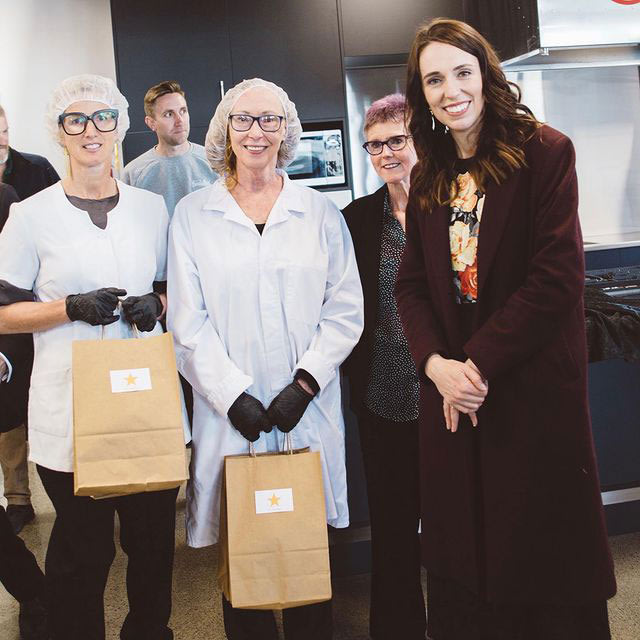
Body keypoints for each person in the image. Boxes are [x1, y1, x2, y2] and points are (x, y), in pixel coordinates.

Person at [395, 18, 616, 640]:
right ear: (423, 94)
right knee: (465, 564)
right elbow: (410, 285)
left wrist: (476, 364)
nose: (450, 90)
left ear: (487, 77)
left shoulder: (545, 152)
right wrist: (437, 365)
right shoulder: (430, 175)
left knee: (539, 560)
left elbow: (556, 279)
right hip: (452, 398)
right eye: (434, 79)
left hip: (526, 389)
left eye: (461, 73)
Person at [168, 77, 364, 640]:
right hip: (232, 419)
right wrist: (233, 396)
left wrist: (304, 385)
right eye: (244, 120)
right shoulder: (192, 215)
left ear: (287, 131)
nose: (257, 132)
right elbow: (187, 322)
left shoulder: (319, 212)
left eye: (270, 120)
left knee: (307, 559)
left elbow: (345, 309)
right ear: (225, 131)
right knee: (246, 564)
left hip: (309, 411)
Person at [0, 74, 179, 640]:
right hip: (69, 411)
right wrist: (67, 308)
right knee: (83, 550)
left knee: (152, 546)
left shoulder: (151, 209)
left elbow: (178, 289)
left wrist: (160, 301)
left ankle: (148, 632)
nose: (91, 130)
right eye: (75, 120)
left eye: (103, 117)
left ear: (122, 126)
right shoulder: (31, 215)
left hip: (144, 404)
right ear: (59, 133)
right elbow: (2, 311)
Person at [341, 94, 425, 640]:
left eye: (397, 140)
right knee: (393, 527)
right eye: (375, 146)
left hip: (453, 398)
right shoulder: (357, 219)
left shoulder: (454, 207)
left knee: (457, 525)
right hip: (383, 395)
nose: (386, 154)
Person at [0, 105, 59, 534]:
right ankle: (18, 495)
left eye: (4, 130)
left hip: (41, 304)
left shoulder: (36, 170)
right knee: (9, 407)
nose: (2, 139)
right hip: (8, 307)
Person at [121, 80, 215, 218]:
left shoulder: (214, 163)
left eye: (183, 111)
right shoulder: (133, 173)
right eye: (169, 114)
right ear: (151, 123)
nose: (179, 121)